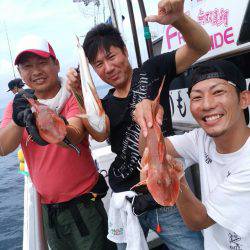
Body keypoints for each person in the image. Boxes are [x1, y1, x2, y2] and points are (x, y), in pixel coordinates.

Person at [67, 0, 211, 249]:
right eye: (98, 65)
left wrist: (179, 20)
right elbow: (99, 134)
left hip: (167, 197)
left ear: (124, 50)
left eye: (111, 56)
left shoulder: (152, 70)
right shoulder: (105, 105)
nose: (108, 68)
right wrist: (80, 94)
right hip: (127, 201)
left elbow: (200, 46)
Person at [0, 35, 114, 250]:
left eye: (42, 63)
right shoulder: (17, 105)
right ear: (21, 73)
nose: (36, 71)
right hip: (49, 211)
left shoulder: (72, 95)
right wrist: (17, 121)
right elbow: (3, 147)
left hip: (85, 206)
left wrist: (49, 122)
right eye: (27, 66)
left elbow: (76, 133)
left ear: (56, 64)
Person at [134, 59, 250, 249]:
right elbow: (145, 150)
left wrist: (175, 177)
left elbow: (198, 220)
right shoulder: (202, 138)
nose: (207, 104)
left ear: (244, 98)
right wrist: (148, 121)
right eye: (197, 97)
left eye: (218, 92)